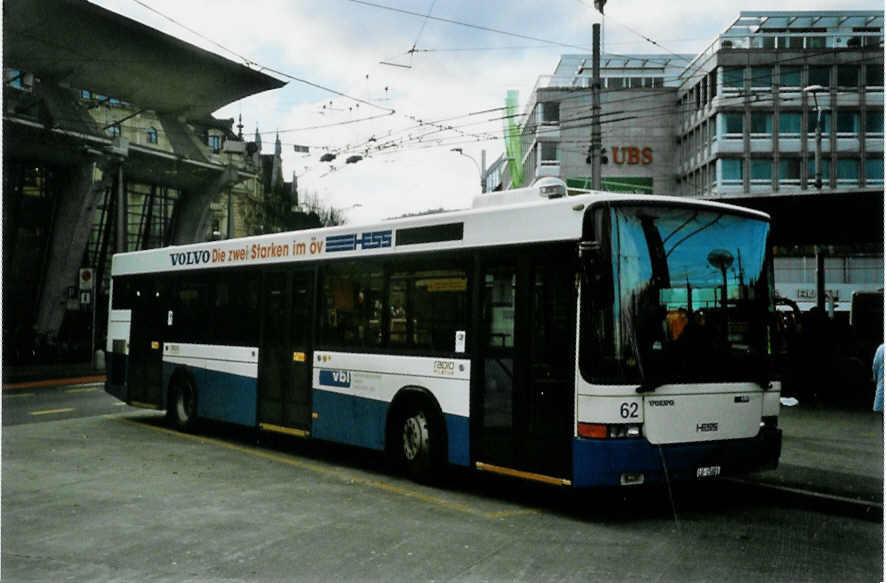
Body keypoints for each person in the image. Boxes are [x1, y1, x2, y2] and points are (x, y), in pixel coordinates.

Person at [873, 343, 884, 413]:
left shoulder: (880, 348)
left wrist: (876, 379)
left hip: (881, 397)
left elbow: (875, 367)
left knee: (879, 422)